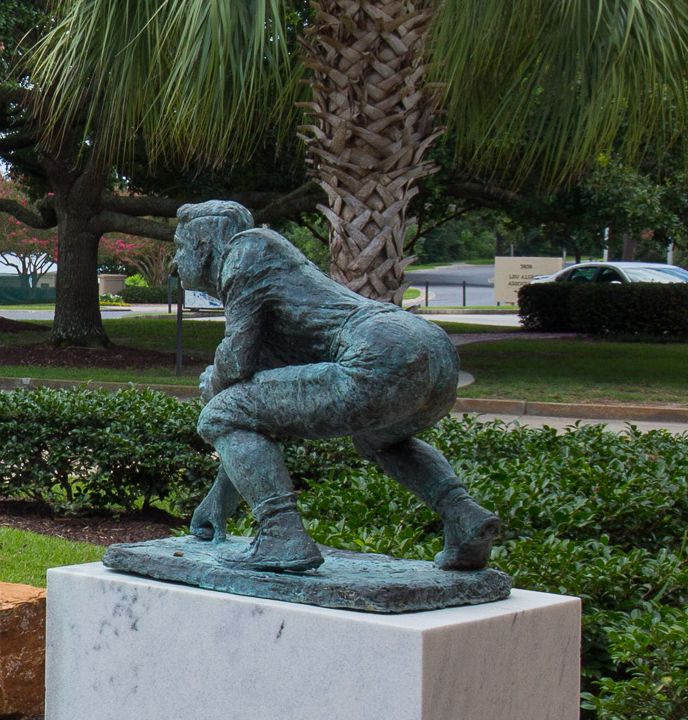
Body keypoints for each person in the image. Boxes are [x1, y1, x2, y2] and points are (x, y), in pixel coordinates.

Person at [173, 200, 503, 575]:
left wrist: (213, 383)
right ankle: (463, 516)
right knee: (378, 439)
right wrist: (220, 499)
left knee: (218, 413)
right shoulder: (266, 264)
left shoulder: (243, 253)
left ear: (203, 246)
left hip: (379, 352)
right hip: (435, 355)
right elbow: (251, 421)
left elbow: (235, 363)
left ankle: (282, 536)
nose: (175, 262)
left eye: (180, 248)